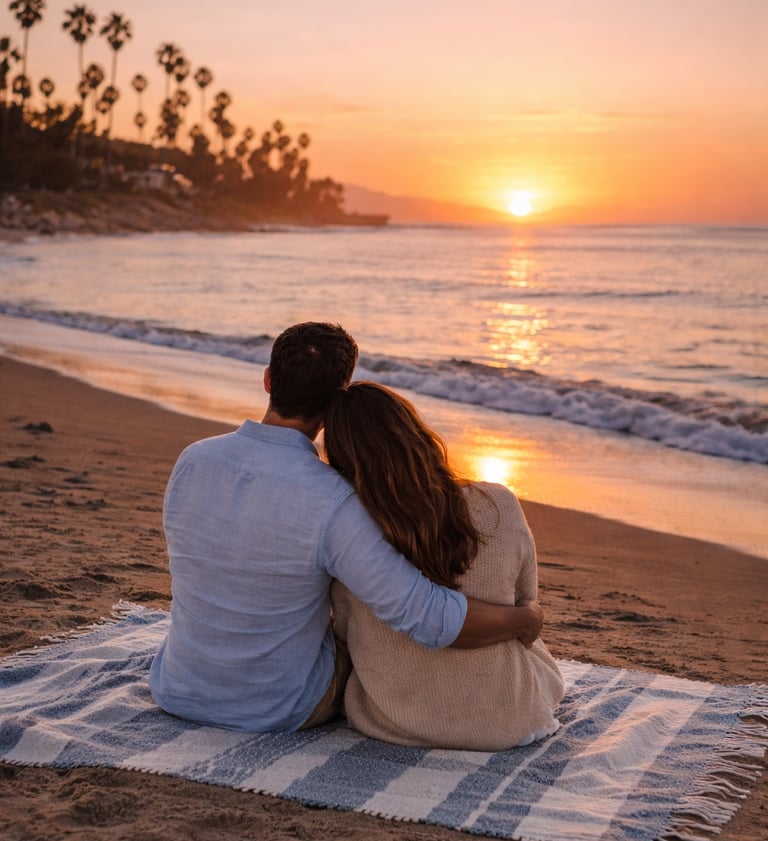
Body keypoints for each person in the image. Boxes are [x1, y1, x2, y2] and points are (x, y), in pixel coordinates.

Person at [149, 322, 545, 733]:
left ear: (268, 380)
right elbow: (428, 618)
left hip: (179, 688)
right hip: (280, 707)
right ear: (341, 395)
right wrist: (524, 619)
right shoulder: (333, 500)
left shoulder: (193, 460)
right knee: (363, 620)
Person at [325, 382, 565, 750]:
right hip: (512, 719)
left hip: (397, 721)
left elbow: (343, 628)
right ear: (415, 433)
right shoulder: (499, 503)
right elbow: (524, 604)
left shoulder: (350, 529)